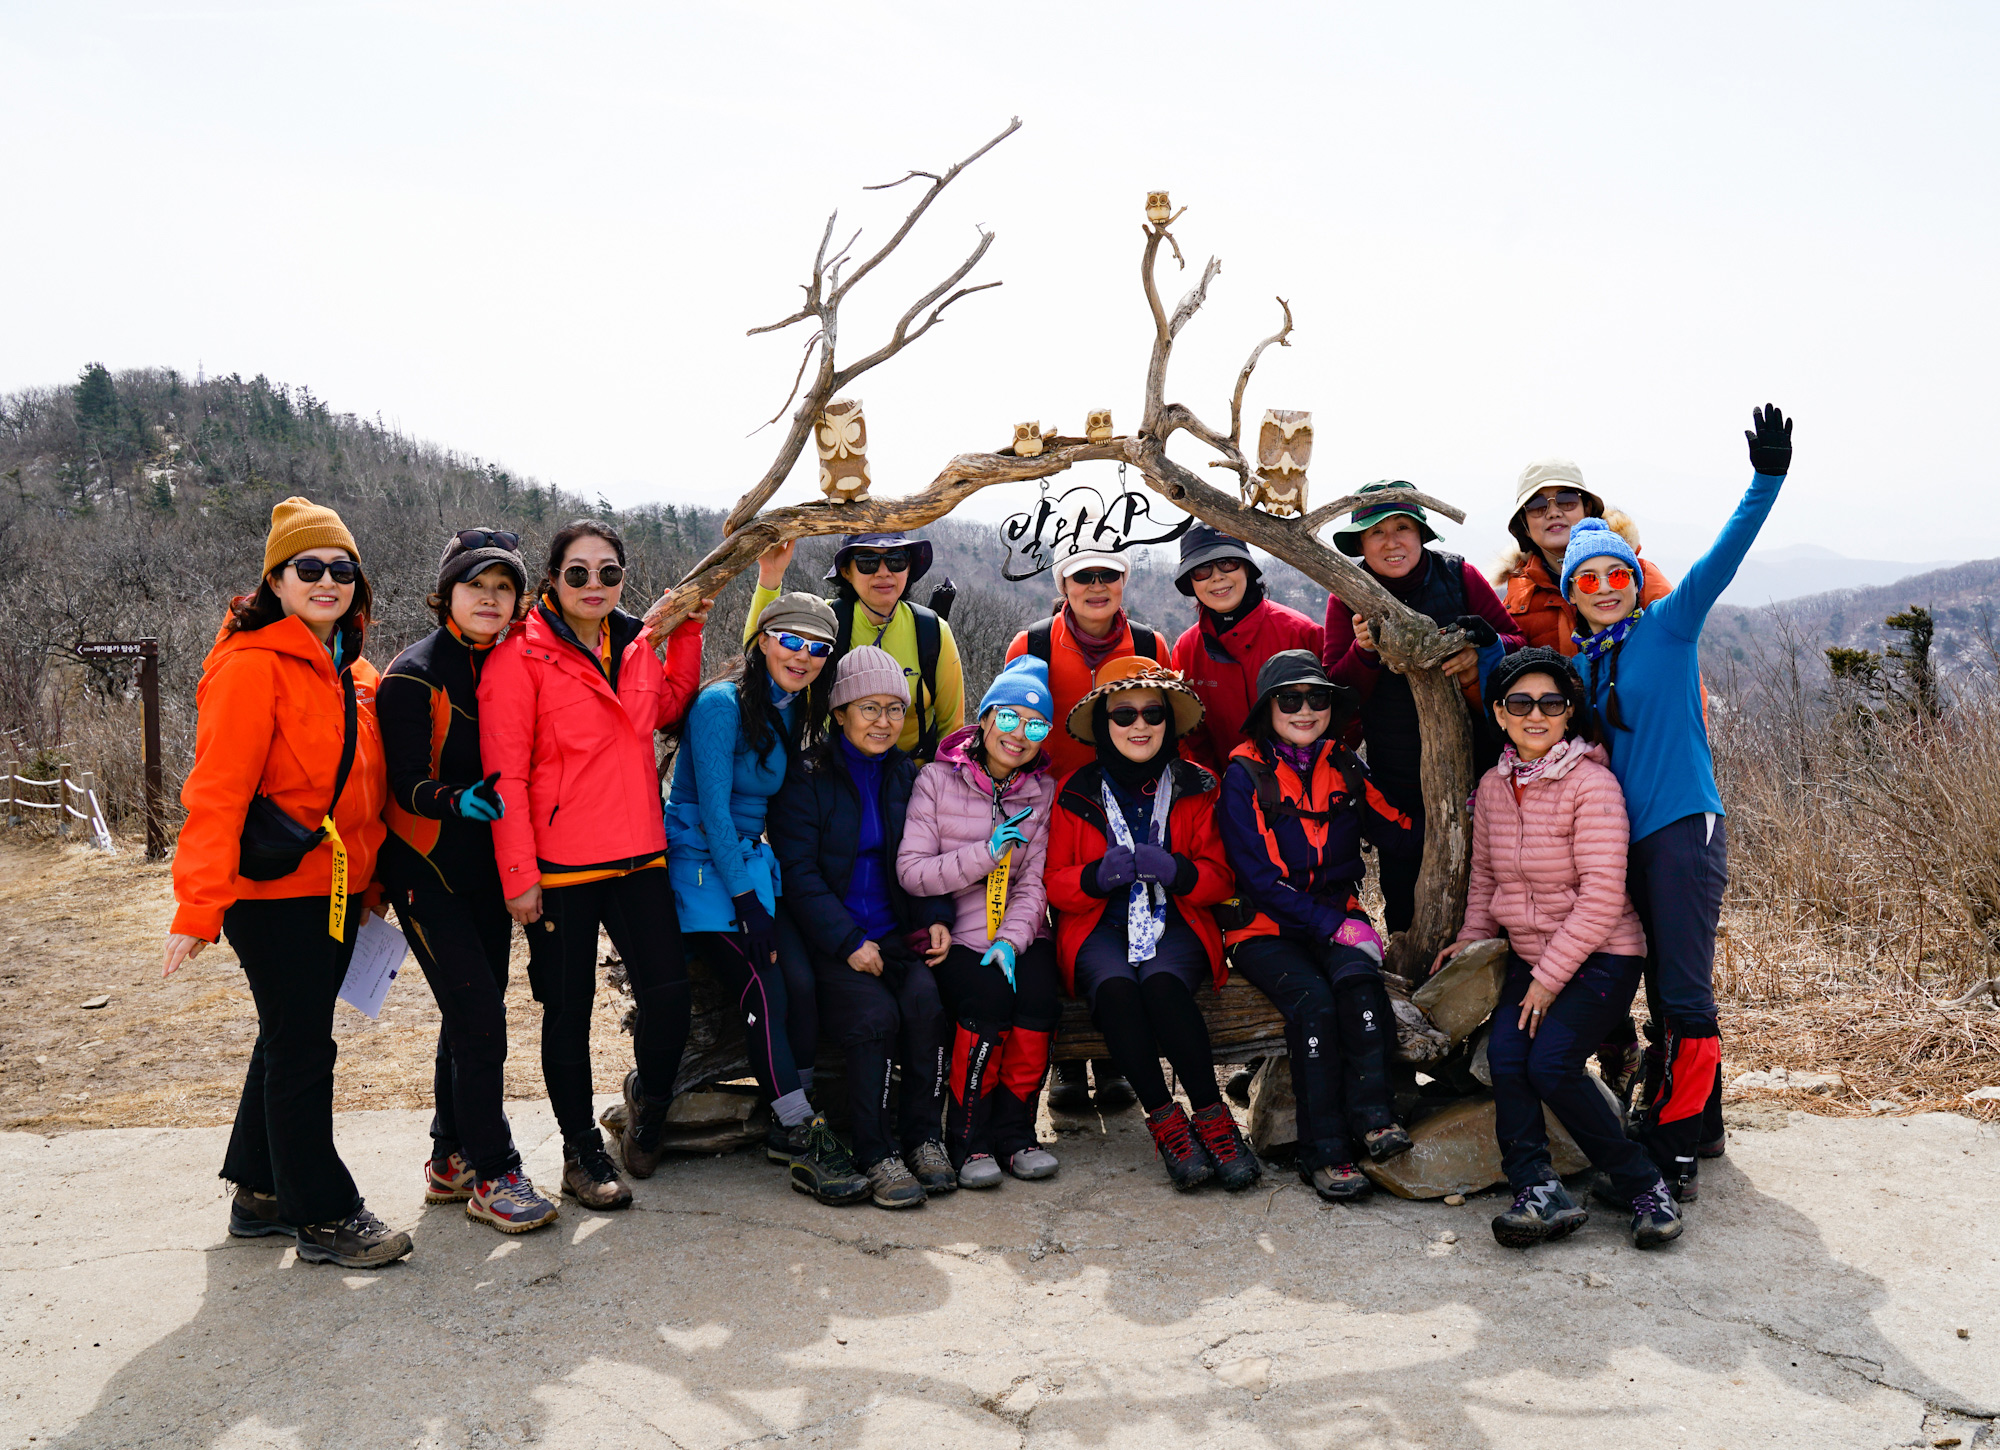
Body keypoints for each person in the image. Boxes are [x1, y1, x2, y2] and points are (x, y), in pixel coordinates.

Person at [162, 497, 408, 1268]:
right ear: (275, 580)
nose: (327, 580)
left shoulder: (355, 672)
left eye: (342, 568)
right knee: (303, 1049)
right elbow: (216, 792)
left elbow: (365, 789)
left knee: (288, 1038)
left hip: (335, 891)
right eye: (309, 567)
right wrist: (197, 906)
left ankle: (262, 1193)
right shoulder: (249, 666)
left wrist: (371, 885)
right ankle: (324, 1214)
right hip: (272, 895)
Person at [1560, 405, 1795, 1212]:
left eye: (1616, 575)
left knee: (1684, 997)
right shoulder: (1584, 666)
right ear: (1572, 593)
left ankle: (1675, 1148)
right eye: (1587, 580)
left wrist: (1767, 478)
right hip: (1629, 842)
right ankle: (1706, 1126)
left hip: (1683, 831)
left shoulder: (1667, 626)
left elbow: (1726, 554)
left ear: (1635, 579)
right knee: (1661, 991)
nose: (1604, 588)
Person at [479, 519, 705, 1211]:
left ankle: (650, 1111)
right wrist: (518, 876)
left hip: (639, 855)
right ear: (552, 580)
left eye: (609, 572)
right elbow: (506, 777)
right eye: (577, 573)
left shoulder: (634, 644)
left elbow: (668, 708)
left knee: (670, 996)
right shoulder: (518, 656)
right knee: (567, 1013)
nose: (594, 585)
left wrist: (687, 632)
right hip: (561, 868)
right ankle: (581, 1153)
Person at [1434, 647, 1679, 1250]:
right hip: (1530, 954)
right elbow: (1485, 879)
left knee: (1551, 1064)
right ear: (1499, 713)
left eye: (1551, 703)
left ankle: (1645, 1185)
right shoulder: (1494, 786)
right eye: (1520, 703)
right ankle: (1539, 1190)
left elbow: (1602, 897)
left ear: (1569, 712)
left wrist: (1548, 978)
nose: (1536, 715)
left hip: (1604, 955)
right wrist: (1471, 940)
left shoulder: (1592, 784)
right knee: (1508, 1057)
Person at [379, 528, 557, 1234]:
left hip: (491, 871)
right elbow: (401, 783)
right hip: (426, 872)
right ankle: (495, 1173)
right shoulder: (414, 672)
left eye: (503, 587)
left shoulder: (518, 664)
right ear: (445, 593)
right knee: (481, 1019)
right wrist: (456, 800)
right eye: (475, 585)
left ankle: (449, 1159)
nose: (490, 598)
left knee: (469, 1014)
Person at [667, 592, 869, 1207]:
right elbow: (714, 812)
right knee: (764, 986)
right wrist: (746, 902)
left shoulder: (790, 707)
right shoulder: (720, 705)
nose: (803, 656)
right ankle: (803, 1132)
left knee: (801, 981)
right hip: (702, 863)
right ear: (763, 640)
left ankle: (789, 1117)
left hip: (755, 865)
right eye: (791, 640)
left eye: (819, 647)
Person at [1044, 659, 1260, 1192]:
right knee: (1116, 989)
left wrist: (1178, 870)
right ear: (1103, 725)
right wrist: (1095, 877)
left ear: (1168, 721)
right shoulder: (1074, 790)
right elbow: (1054, 884)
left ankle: (1212, 1118)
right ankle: (1166, 1123)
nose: (1139, 725)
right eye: (1123, 714)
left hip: (1177, 917)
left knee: (1162, 985)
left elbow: (1221, 876)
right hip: (1098, 922)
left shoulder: (1198, 785)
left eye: (1152, 713)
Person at [1217, 651, 1415, 1202]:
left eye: (1317, 698)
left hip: (1336, 913)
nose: (1305, 710)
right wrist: (1336, 925)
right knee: (1313, 1003)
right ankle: (1323, 1150)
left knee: (1359, 984)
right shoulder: (1244, 775)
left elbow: (1397, 830)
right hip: (1263, 926)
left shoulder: (1344, 763)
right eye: (1290, 699)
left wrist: (1466, 812)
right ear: (1267, 708)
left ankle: (1375, 1120)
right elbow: (1259, 880)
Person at [769, 647, 959, 1209]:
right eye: (869, 708)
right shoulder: (807, 776)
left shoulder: (908, 776)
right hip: (835, 941)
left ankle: (923, 1137)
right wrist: (848, 941)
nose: (884, 722)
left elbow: (926, 856)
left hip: (897, 936)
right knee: (874, 1018)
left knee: (925, 1005)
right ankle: (876, 1151)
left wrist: (937, 918)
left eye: (895, 709)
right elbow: (798, 873)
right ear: (840, 713)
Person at [1005, 549, 1169, 1111]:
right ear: (1065, 585)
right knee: (1053, 924)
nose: (1096, 586)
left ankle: (1113, 1058)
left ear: (1123, 582)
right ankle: (1068, 1062)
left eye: (1108, 575)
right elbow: (1011, 724)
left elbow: (1171, 725)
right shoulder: (1033, 645)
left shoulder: (1149, 645)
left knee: (1117, 919)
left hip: (1132, 802)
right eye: (1083, 576)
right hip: (1050, 804)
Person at [1320, 482, 1523, 936]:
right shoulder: (1345, 594)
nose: (1392, 542)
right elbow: (1337, 690)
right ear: (1360, 544)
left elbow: (1515, 642)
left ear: (1421, 534)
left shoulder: (1458, 576)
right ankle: (1407, 969)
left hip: (1475, 760)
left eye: (1403, 528)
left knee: (1485, 882)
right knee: (1405, 891)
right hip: (1395, 772)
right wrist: (1363, 650)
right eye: (1377, 532)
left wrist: (1478, 651)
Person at [897, 656, 1063, 1188]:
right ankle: (969, 1138)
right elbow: (912, 872)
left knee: (1039, 994)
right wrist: (987, 853)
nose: (1019, 735)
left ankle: (1016, 1133)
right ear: (986, 718)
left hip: (1019, 929)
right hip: (958, 932)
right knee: (988, 999)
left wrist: (1012, 941)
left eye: (1035, 726)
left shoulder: (1042, 791)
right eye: (1009, 718)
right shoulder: (936, 780)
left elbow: (1033, 882)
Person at [743, 532, 963, 761]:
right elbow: (761, 653)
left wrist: (937, 780)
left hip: (914, 776)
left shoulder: (932, 631)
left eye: (896, 560)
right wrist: (770, 574)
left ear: (908, 568)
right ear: (846, 571)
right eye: (868, 562)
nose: (883, 572)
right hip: (836, 772)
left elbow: (952, 730)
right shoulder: (827, 622)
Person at [1170, 524, 1323, 777]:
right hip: (1223, 791)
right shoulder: (1187, 649)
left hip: (1306, 788)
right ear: (1191, 581)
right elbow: (1191, 737)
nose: (1217, 577)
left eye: (1227, 563)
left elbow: (1337, 719)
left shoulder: (1300, 633)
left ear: (1247, 568)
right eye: (1202, 569)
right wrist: (1214, 790)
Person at [1495, 458, 1675, 656]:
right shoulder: (1518, 601)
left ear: (1587, 509)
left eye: (1567, 500)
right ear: (1524, 525)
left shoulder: (1641, 576)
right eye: (1537, 505)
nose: (1553, 513)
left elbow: (1677, 647)